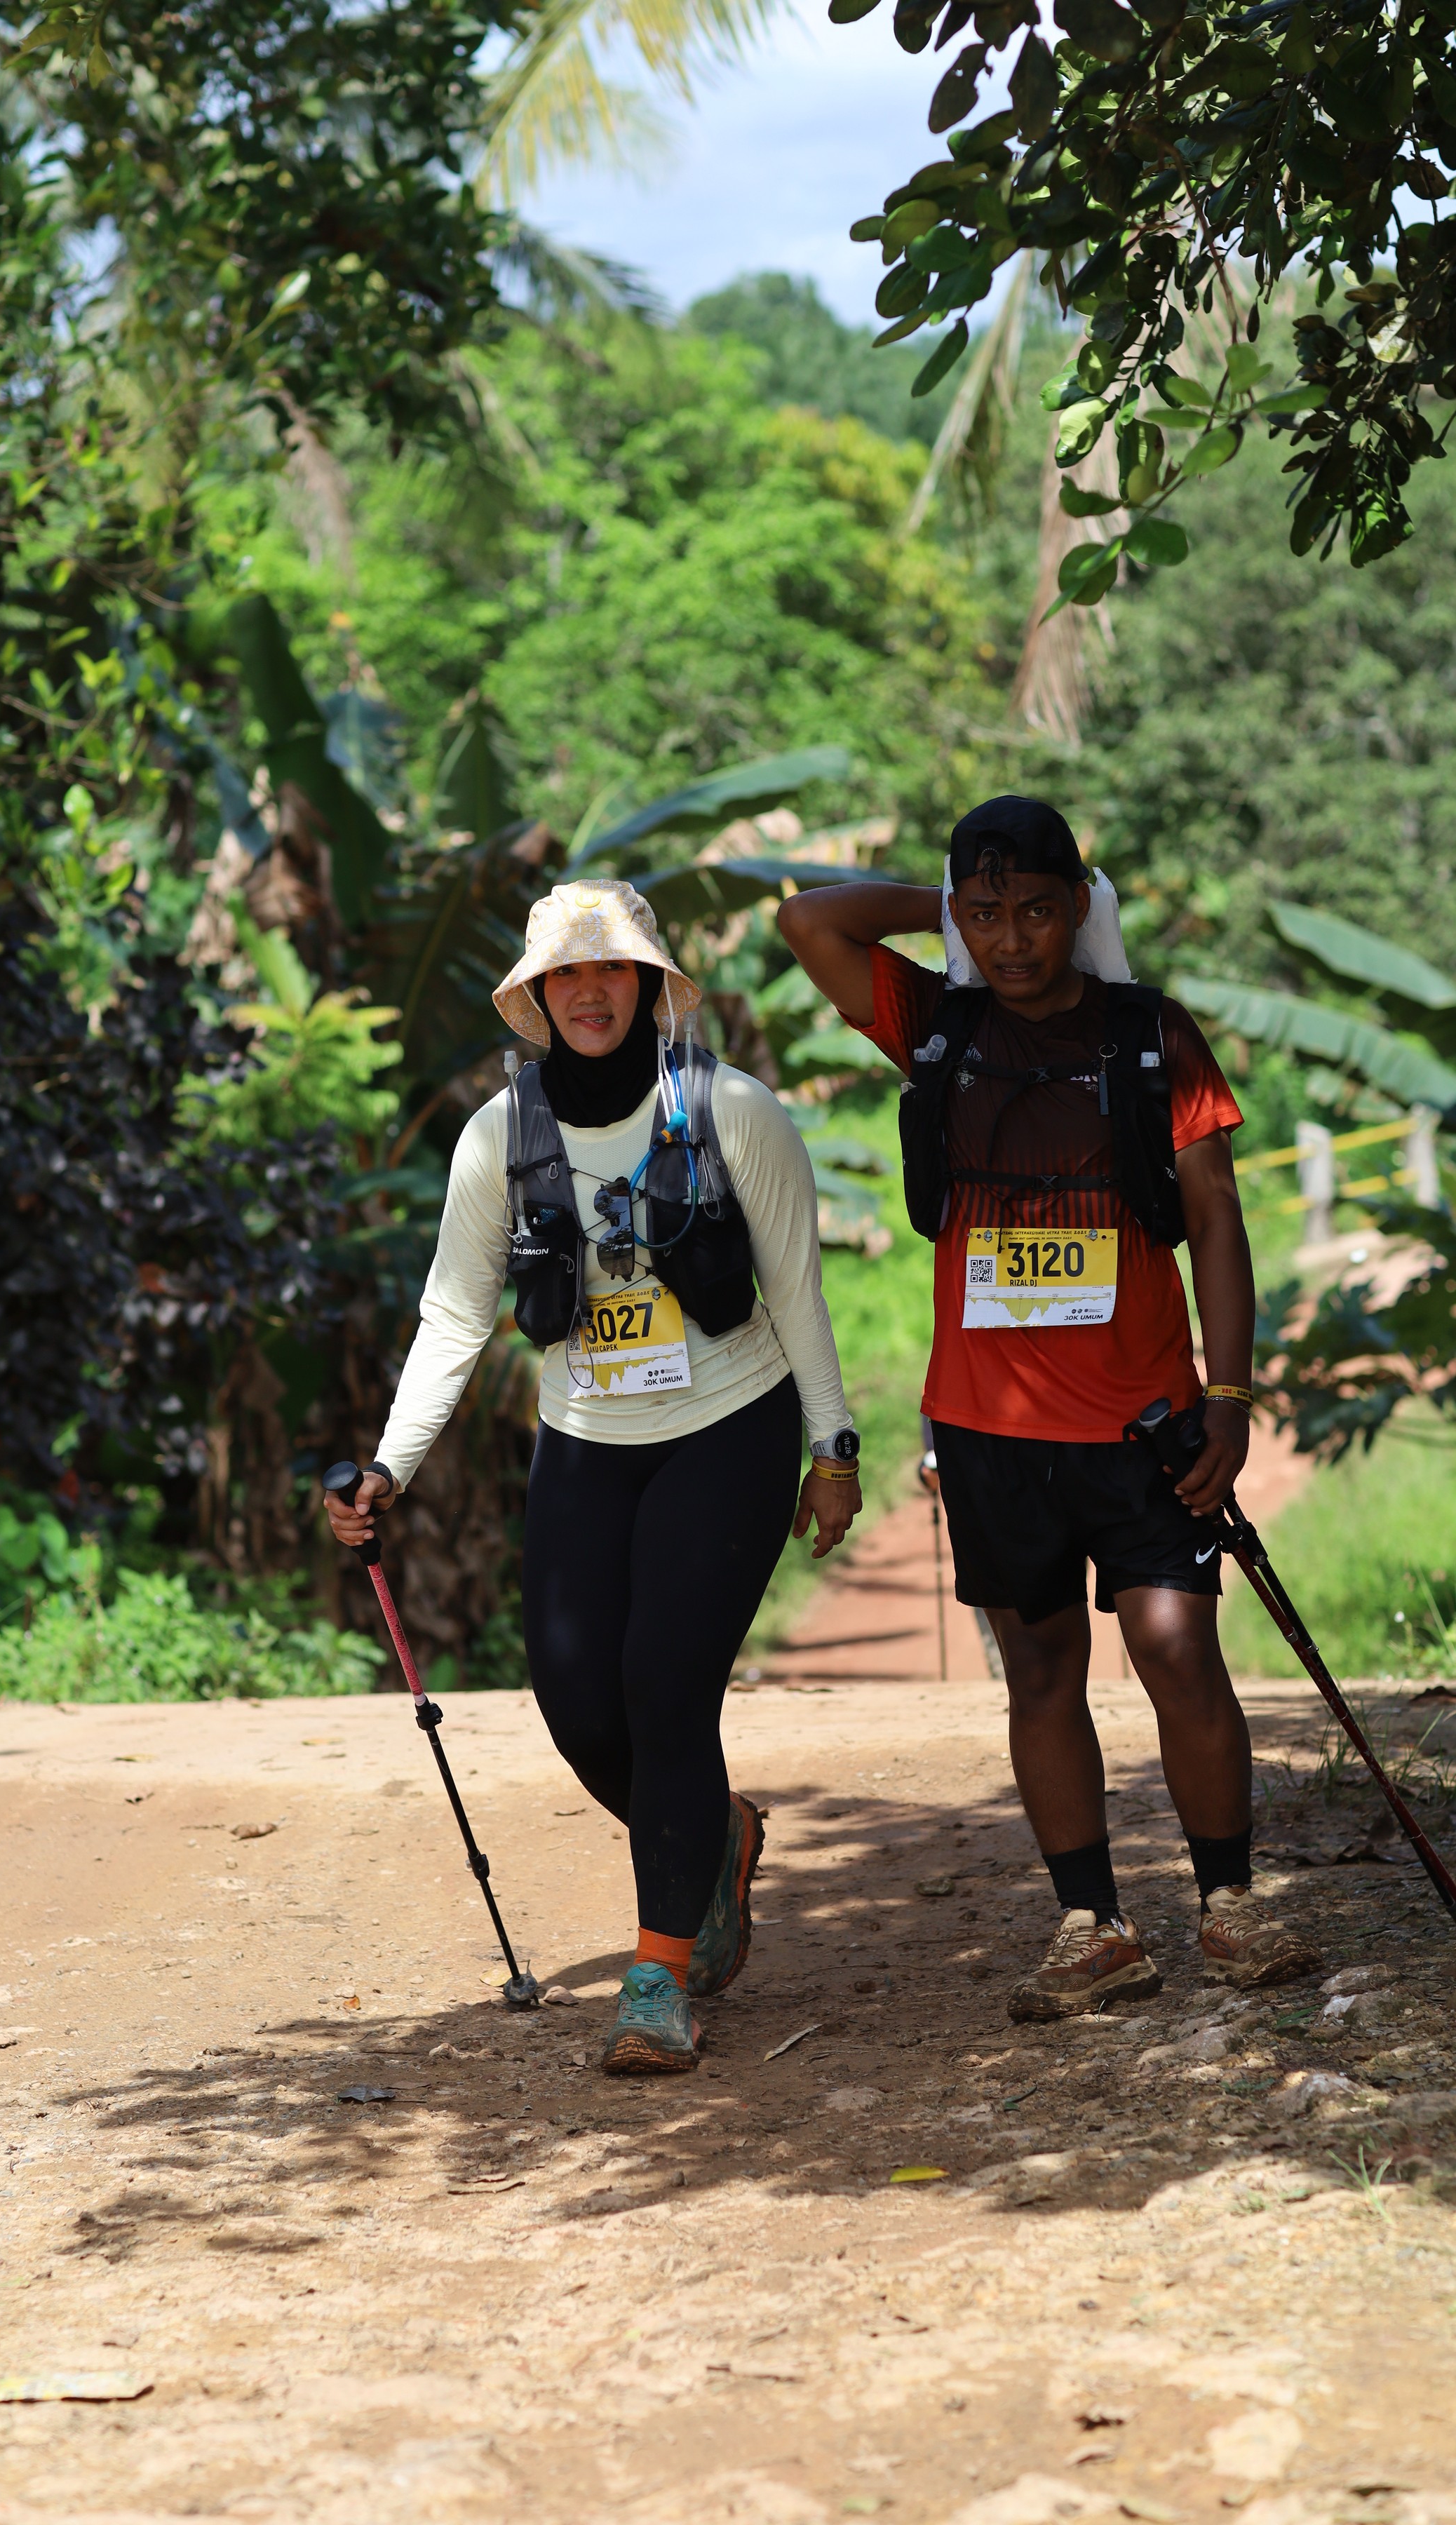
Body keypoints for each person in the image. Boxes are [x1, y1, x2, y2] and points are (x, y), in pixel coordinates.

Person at [777, 797, 1321, 2020]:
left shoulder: (1149, 1037)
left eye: (1037, 908)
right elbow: (808, 921)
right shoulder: (940, 1026)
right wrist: (944, 910)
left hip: (1146, 1426)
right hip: (991, 1431)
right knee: (1039, 1674)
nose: (1012, 937)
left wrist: (1230, 1401)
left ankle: (1230, 1905)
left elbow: (1217, 1220)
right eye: (987, 913)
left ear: (1081, 906)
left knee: (1178, 1654)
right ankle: (1093, 1928)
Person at [326, 876, 863, 2070]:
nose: (588, 992)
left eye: (609, 968)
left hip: (729, 1426)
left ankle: (657, 1980)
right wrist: (390, 1466)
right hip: (584, 1438)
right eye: (564, 974)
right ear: (535, 995)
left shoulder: (733, 1111)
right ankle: (713, 1834)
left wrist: (832, 1450)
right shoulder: (497, 1139)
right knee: (579, 1705)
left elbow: (796, 1291)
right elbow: (454, 1317)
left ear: (647, 983)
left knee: (666, 1690)